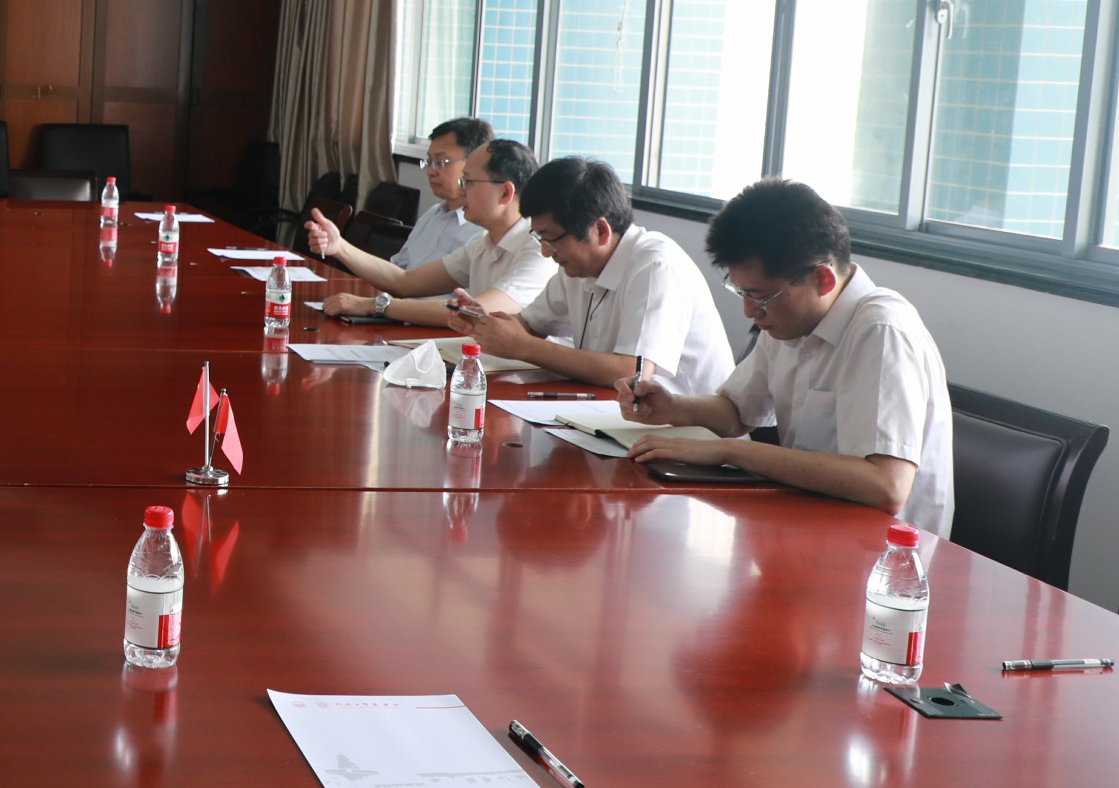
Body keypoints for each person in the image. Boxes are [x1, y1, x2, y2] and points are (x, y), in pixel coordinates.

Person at [619, 179, 954, 533]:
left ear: (822, 280)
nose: (750, 312)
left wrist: (732, 451)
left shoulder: (882, 331)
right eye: (742, 293)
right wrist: (672, 407)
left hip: (886, 553)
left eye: (760, 296)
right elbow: (736, 411)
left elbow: (886, 486)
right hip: (810, 523)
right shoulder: (790, 319)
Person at [448, 155, 730, 393]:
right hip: (612, 414)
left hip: (689, 429)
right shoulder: (576, 266)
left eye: (551, 239)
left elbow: (631, 372)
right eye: (540, 238)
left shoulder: (655, 266)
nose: (546, 251)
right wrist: (486, 323)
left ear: (600, 230)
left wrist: (524, 347)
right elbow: (530, 325)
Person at [307, 139, 551, 328]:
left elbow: (475, 312)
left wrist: (376, 305)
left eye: (468, 182)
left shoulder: (539, 250)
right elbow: (404, 282)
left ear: (505, 193)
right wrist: (340, 247)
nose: (461, 191)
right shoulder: (484, 245)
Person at [388, 118, 490, 270]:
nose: (430, 171)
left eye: (441, 162)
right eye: (429, 161)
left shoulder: (482, 233)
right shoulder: (432, 215)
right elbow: (398, 266)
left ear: (474, 162)